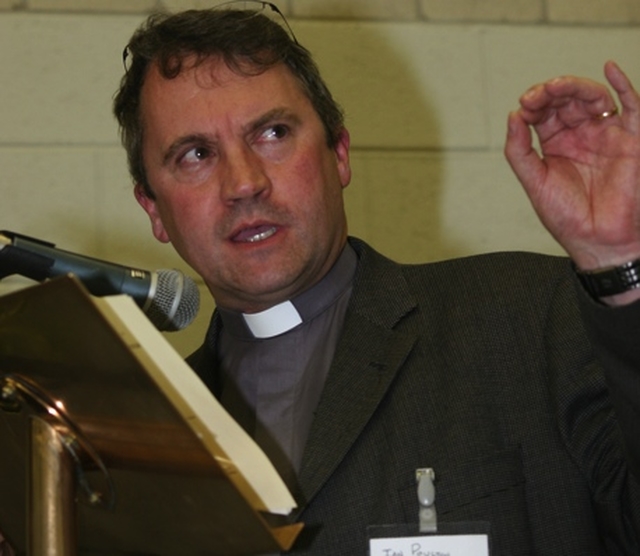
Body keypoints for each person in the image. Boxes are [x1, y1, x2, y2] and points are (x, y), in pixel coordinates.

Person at [113, 3, 640, 554]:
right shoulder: (138, 448)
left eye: (272, 132)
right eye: (196, 154)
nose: (244, 184)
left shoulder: (526, 318)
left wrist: (621, 262)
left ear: (339, 155)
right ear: (153, 209)